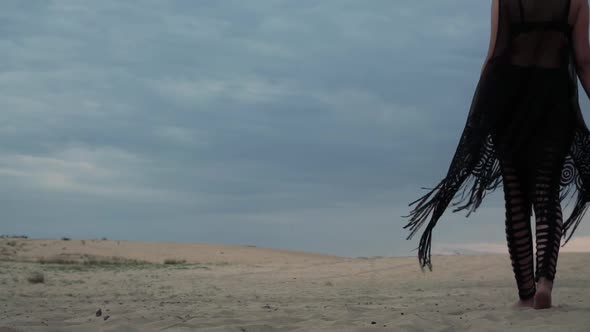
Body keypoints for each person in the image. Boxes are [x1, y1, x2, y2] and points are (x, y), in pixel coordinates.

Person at [403, 0, 590, 309]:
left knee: (515, 199)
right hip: (553, 101)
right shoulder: (577, 2)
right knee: (546, 194)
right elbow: (583, 61)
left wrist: (478, 113)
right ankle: (545, 281)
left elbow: (493, 57)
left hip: (508, 100)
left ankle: (526, 293)